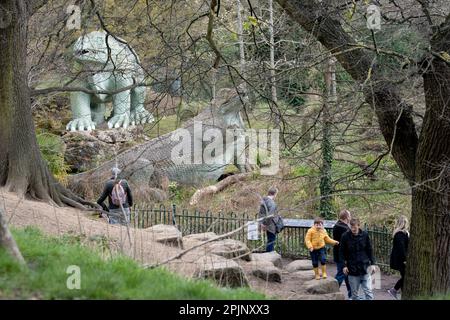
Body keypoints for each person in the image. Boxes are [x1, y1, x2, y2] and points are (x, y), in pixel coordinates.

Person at [340, 218, 376, 300]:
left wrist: (373, 264)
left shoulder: (365, 235)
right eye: (351, 227)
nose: (353, 229)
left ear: (359, 226)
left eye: (355, 228)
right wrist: (344, 266)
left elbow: (369, 250)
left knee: (368, 292)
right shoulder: (345, 236)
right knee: (355, 295)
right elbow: (341, 253)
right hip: (352, 270)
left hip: (365, 268)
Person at [387, 215, 409, 300]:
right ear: (404, 223)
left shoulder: (403, 233)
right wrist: (405, 260)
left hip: (401, 259)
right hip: (401, 260)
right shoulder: (400, 234)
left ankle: (403, 295)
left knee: (405, 277)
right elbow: (401, 249)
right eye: (406, 222)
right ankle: (394, 290)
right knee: (405, 276)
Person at [333, 209, 352, 298]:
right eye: (349, 215)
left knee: (347, 275)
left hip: (339, 254)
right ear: (347, 217)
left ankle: (351, 294)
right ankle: (332, 291)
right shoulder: (344, 228)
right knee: (341, 274)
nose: (350, 217)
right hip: (342, 256)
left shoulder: (338, 225)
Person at [259, 187, 279, 252]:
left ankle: (268, 255)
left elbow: (261, 213)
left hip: (265, 223)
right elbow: (271, 215)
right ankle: (269, 256)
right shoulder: (271, 203)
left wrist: (262, 223)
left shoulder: (264, 201)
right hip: (270, 225)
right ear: (275, 194)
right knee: (271, 240)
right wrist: (265, 224)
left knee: (269, 240)